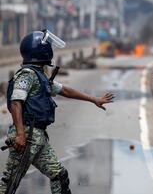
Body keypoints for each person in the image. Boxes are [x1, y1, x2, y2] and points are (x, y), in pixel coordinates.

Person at [0, 30, 114, 194]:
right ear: (40, 50)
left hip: (37, 138)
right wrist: (19, 134)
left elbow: (65, 91)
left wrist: (93, 99)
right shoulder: (27, 75)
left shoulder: (40, 76)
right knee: (8, 185)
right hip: (26, 137)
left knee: (59, 176)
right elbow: (16, 102)